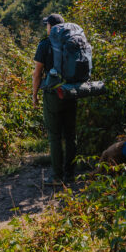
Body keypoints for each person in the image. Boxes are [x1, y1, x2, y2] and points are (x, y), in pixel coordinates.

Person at [32, 13, 77, 186]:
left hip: (53, 94)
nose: (46, 28)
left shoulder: (45, 44)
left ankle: (57, 177)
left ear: (51, 27)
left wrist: (35, 95)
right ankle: (70, 174)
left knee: (55, 135)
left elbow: (37, 74)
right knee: (71, 134)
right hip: (72, 92)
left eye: (47, 25)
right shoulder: (72, 42)